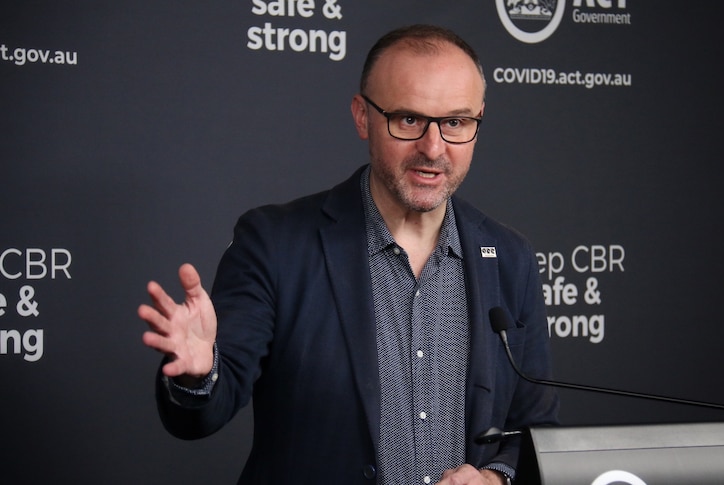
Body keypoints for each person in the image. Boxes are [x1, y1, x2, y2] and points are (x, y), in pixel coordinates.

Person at [139, 24, 558, 485]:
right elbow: (200, 415)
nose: (433, 148)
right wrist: (199, 374)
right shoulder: (276, 243)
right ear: (363, 117)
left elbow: (534, 429)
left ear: (478, 120)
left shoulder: (510, 258)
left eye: (456, 122)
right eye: (408, 120)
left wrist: (497, 479)